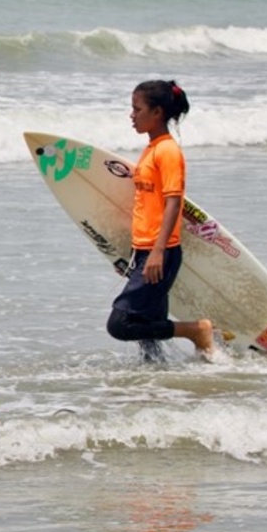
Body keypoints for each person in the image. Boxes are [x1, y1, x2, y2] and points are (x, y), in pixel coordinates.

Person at [106, 80, 216, 358]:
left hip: (159, 252)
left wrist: (156, 252)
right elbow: (147, 206)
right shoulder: (151, 149)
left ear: (157, 112)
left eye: (137, 109)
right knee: (146, 333)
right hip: (145, 250)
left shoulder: (167, 151)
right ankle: (156, 390)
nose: (132, 115)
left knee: (120, 325)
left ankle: (195, 330)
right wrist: (132, 256)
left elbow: (173, 202)